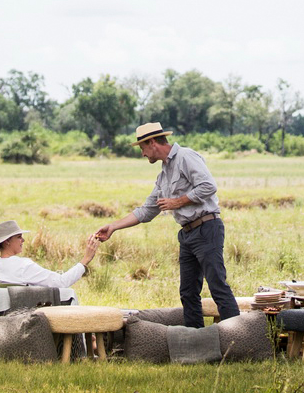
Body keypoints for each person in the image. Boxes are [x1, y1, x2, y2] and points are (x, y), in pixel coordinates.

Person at [93, 122, 239, 328]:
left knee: (217, 286)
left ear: (152, 142)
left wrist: (178, 202)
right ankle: (195, 339)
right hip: (187, 234)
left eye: (142, 148)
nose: (143, 154)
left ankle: (236, 337)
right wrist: (113, 227)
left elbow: (208, 186)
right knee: (188, 292)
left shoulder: (186, 157)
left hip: (206, 228)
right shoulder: (163, 175)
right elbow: (147, 210)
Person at [0, 219, 98, 287]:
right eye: (19, 237)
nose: (23, 240)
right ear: (7, 241)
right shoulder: (23, 265)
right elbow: (61, 282)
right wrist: (85, 260)